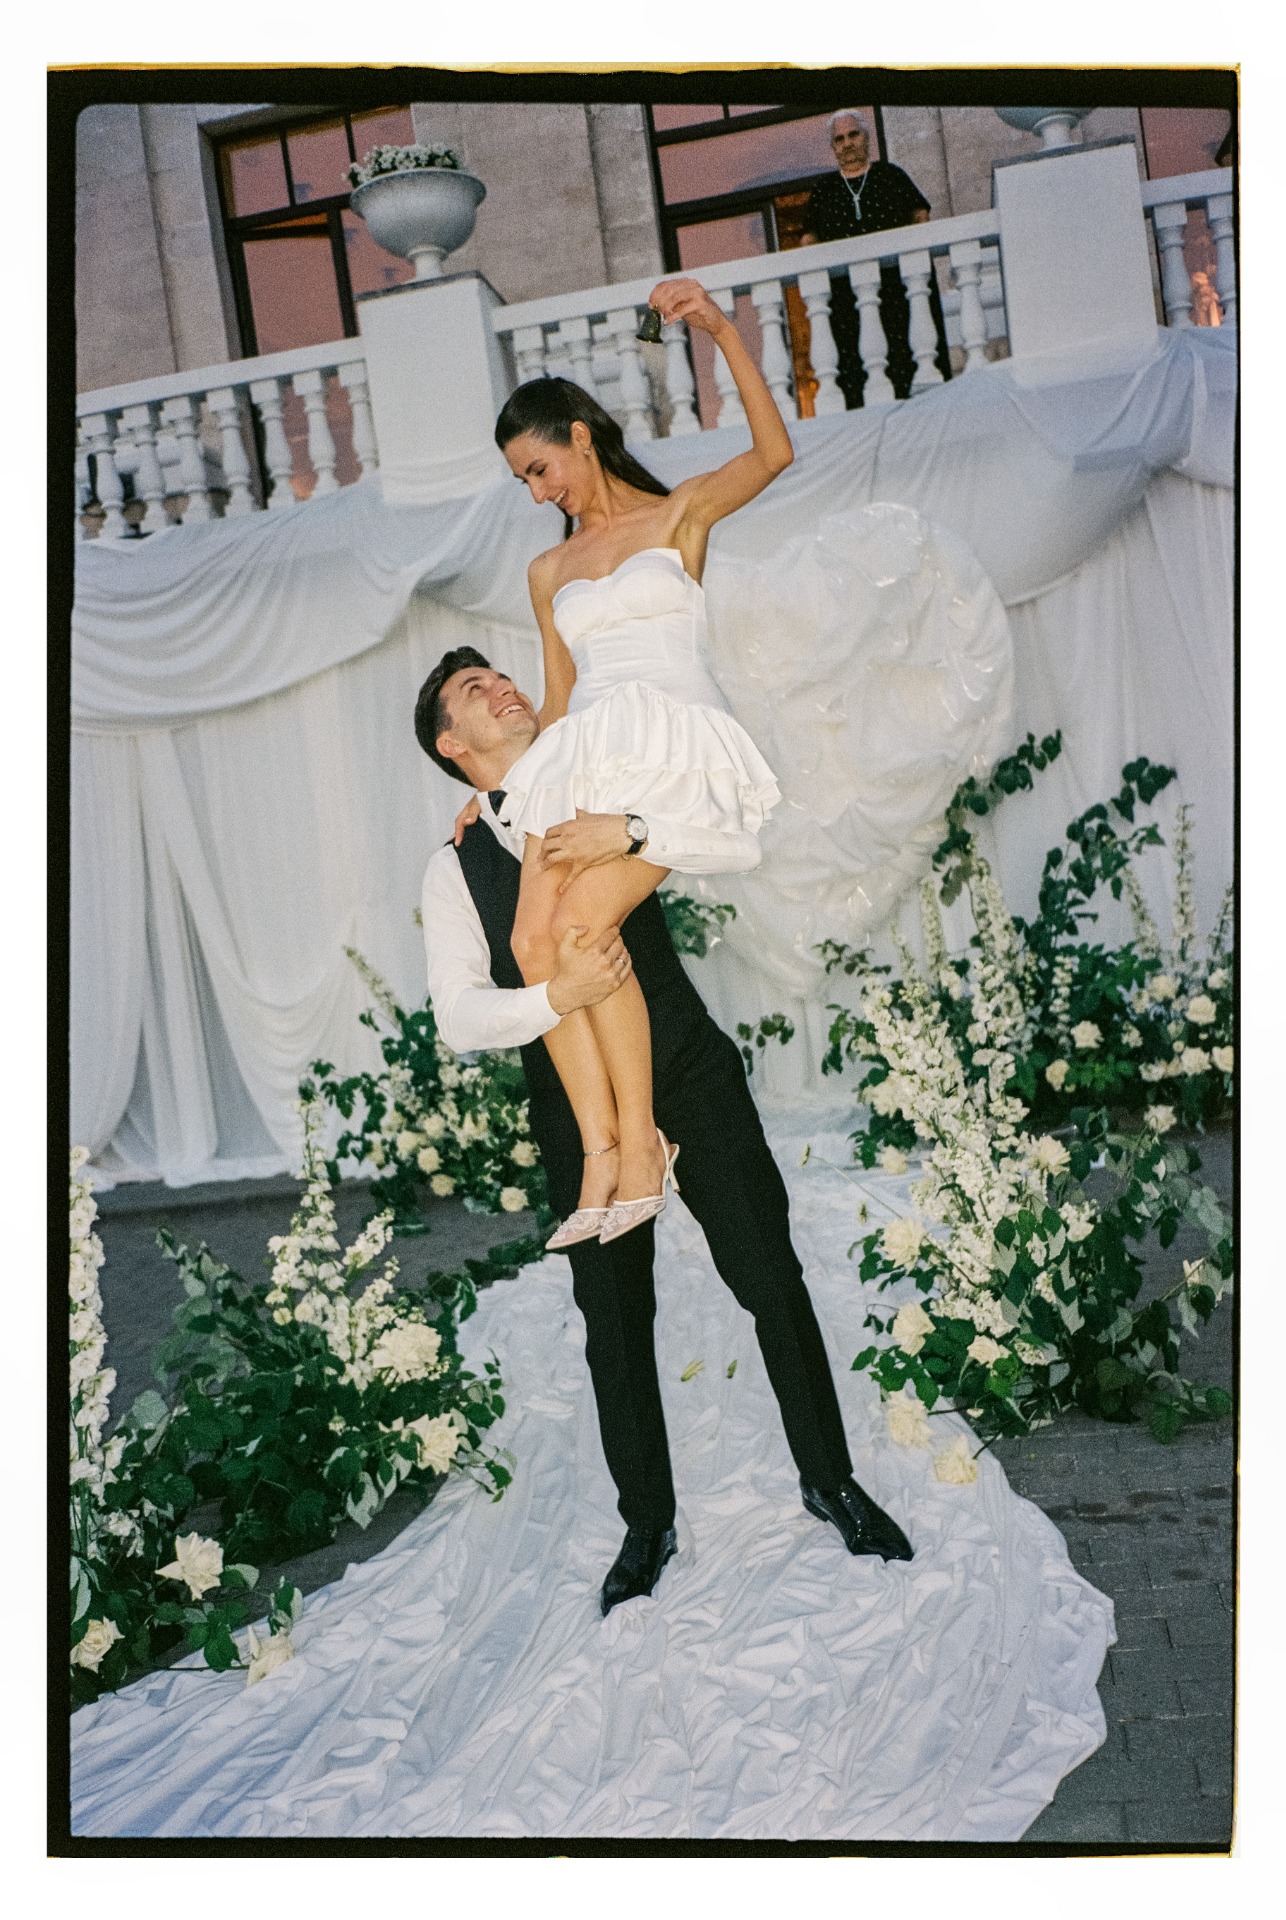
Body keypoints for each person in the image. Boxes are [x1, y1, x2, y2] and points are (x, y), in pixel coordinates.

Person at [415, 648, 914, 1613]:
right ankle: (647, 1524)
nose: (504, 687)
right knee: (614, 1322)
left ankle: (832, 1482)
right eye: (475, 691)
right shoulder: (453, 866)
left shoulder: (602, 772)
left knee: (769, 1274)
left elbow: (715, 813)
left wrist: (633, 825)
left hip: (688, 1065)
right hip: (576, 1114)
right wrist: (556, 996)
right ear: (450, 744)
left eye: (501, 675)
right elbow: (460, 1014)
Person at [451, 276, 790, 1257]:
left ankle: (643, 1143)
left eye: (538, 467)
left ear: (578, 436)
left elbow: (773, 452)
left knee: (582, 926)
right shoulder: (548, 570)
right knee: (530, 941)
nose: (536, 492)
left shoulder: (679, 515)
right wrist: (495, 796)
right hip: (587, 749)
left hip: (671, 746)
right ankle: (601, 1152)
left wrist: (717, 327)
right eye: (522, 482)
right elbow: (557, 702)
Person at [799, 110, 953, 407]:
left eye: (853, 135)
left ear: (867, 137)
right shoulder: (824, 191)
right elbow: (808, 240)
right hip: (848, 306)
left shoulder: (890, 176)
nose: (847, 143)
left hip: (898, 297)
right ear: (833, 147)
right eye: (839, 139)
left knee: (911, 377)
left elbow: (920, 215)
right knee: (861, 383)